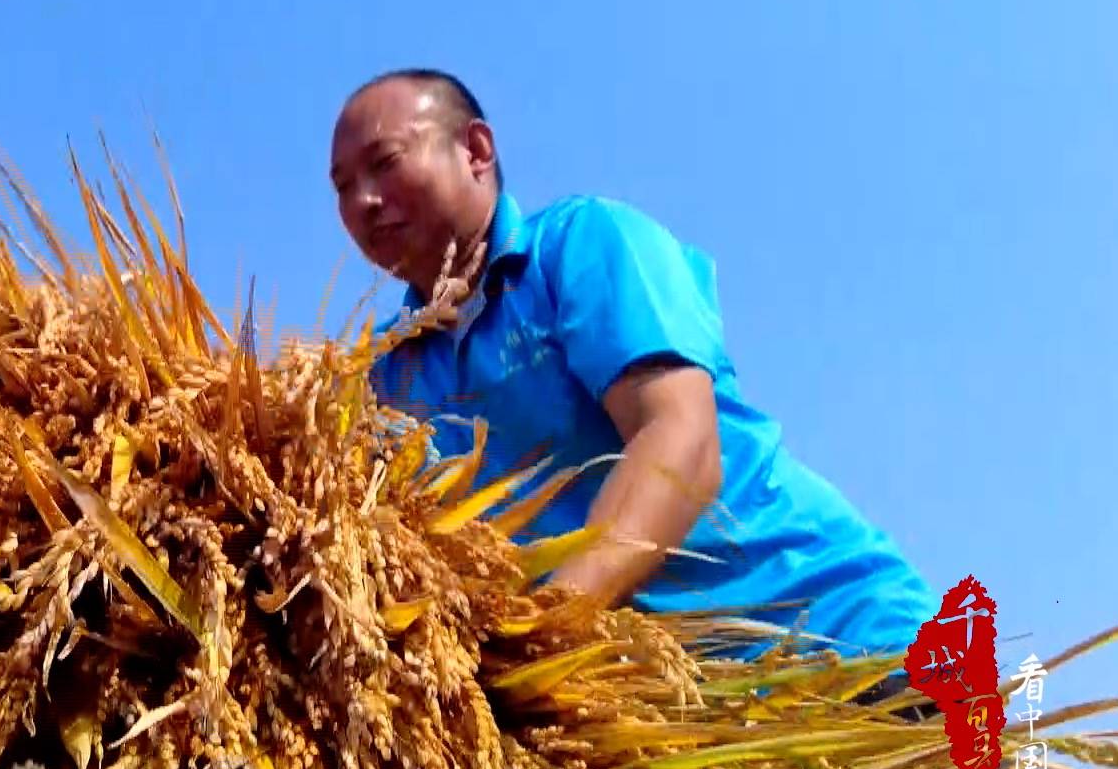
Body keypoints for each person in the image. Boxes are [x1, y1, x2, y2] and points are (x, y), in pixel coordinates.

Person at [328, 68, 938, 661]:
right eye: (343, 187)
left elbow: (681, 440)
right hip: (689, 701)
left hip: (846, 638)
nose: (364, 202)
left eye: (384, 163)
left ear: (476, 150)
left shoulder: (580, 246)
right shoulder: (387, 371)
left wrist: (544, 629)